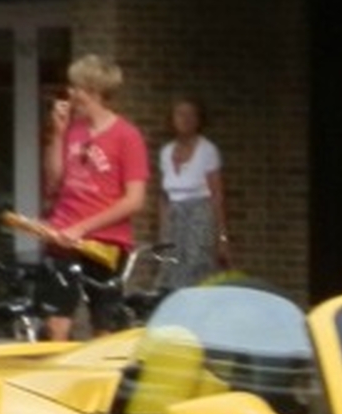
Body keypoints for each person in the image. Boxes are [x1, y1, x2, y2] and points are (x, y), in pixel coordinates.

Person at [39, 54, 149, 338]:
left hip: (105, 242)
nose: (71, 94)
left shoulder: (127, 135)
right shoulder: (73, 130)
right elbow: (54, 182)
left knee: (104, 326)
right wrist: (58, 134)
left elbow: (134, 199)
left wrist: (84, 228)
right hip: (64, 235)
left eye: (76, 88)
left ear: (93, 91)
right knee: (56, 322)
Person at [156, 96, 229, 288]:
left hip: (199, 215)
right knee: (170, 266)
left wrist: (222, 237)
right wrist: (163, 231)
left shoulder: (208, 150)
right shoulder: (165, 152)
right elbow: (163, 195)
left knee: (196, 266)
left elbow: (217, 195)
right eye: (180, 114)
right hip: (174, 216)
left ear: (199, 120)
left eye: (191, 115)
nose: (185, 119)